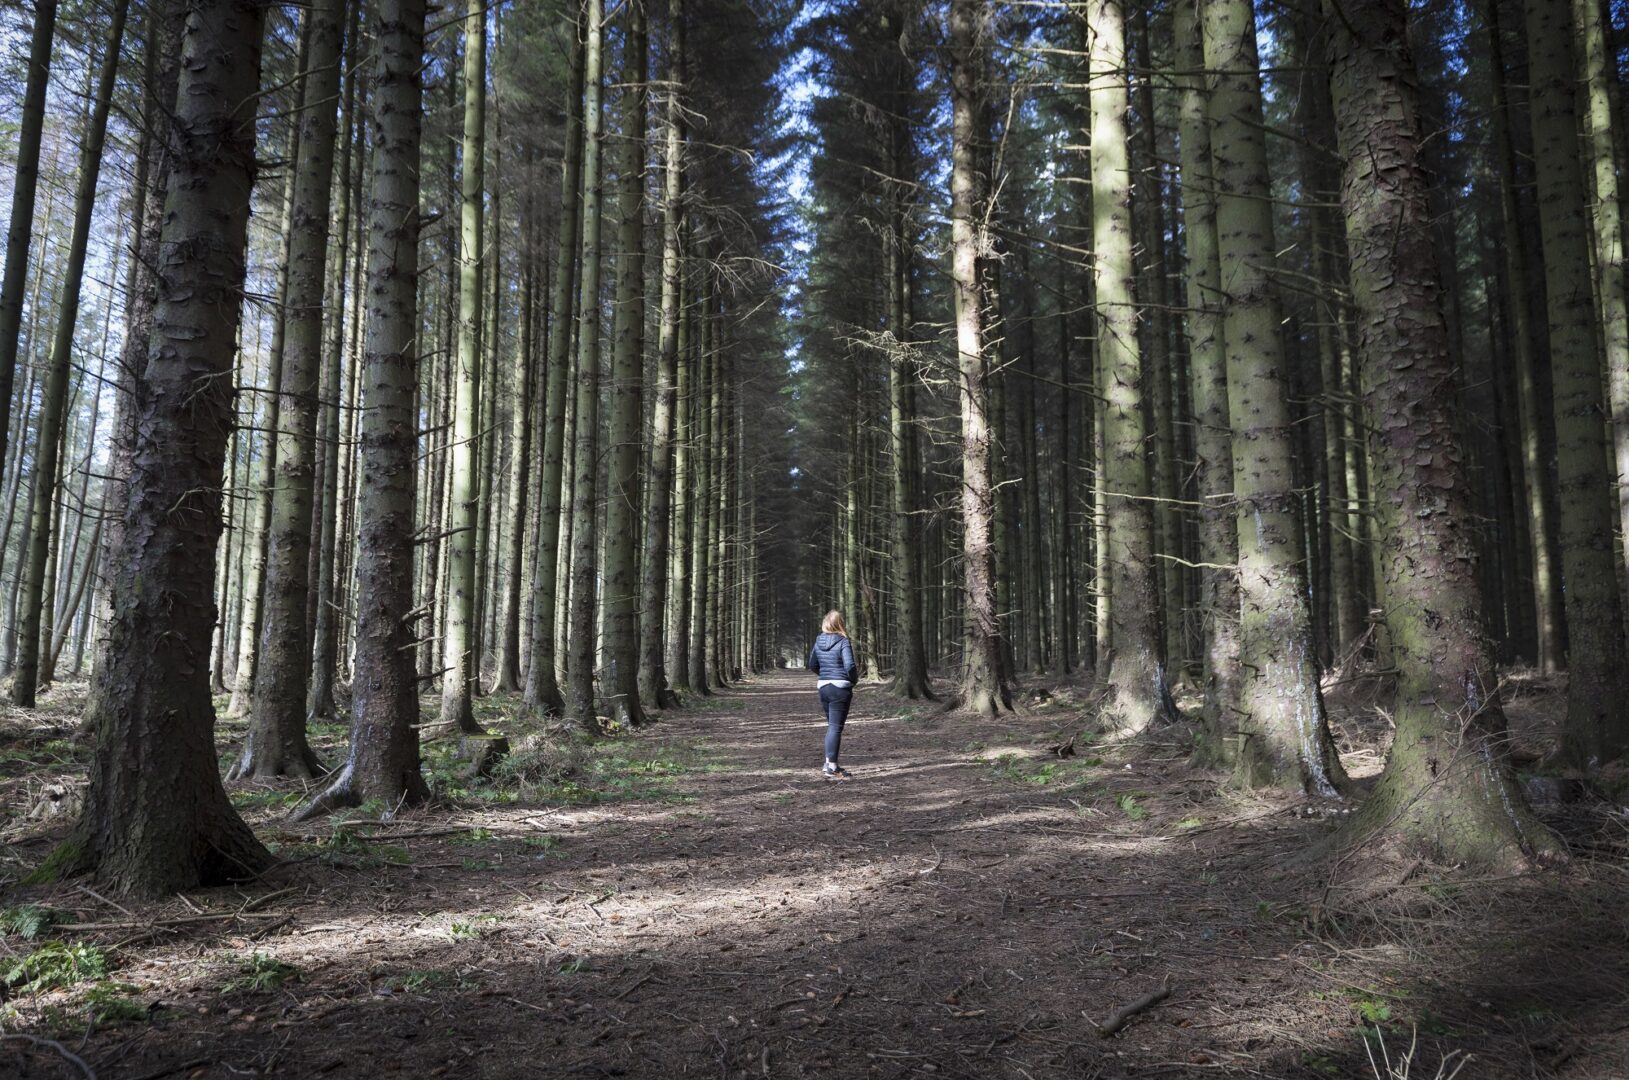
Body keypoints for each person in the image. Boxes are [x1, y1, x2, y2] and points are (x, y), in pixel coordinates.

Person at [806, 610, 857, 779]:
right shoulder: (843, 641)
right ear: (840, 623)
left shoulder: (818, 641)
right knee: (835, 727)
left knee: (832, 726)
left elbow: (812, 664)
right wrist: (852, 680)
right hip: (840, 687)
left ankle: (829, 763)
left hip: (824, 686)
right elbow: (849, 666)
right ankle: (832, 767)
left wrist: (825, 674)